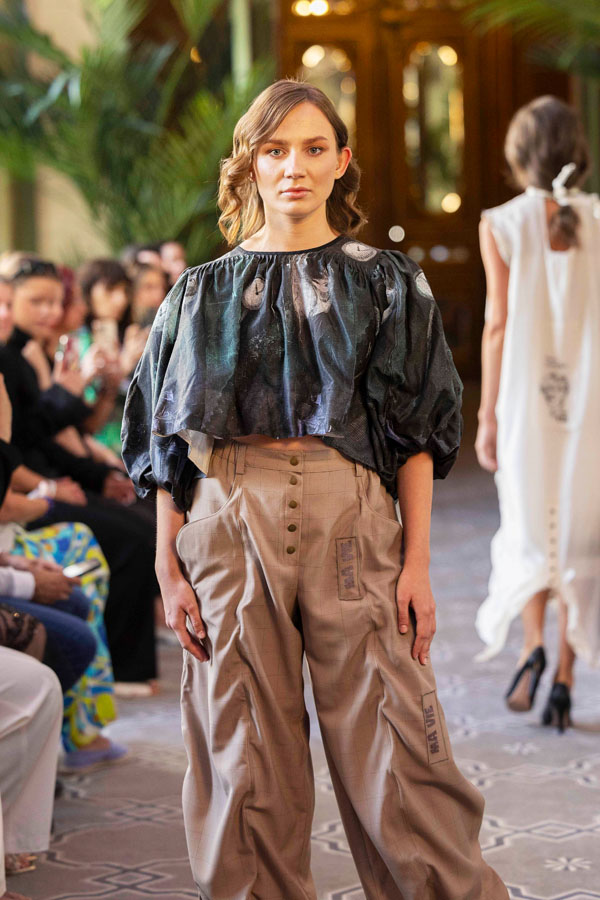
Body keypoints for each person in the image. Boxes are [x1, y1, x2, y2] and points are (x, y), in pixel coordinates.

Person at [123, 79, 509, 899]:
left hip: (353, 518)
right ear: (250, 165)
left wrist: (417, 563)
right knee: (243, 755)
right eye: (274, 150)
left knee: (399, 748)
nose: (293, 167)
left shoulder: (386, 282)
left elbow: (416, 432)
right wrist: (166, 564)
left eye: (312, 148)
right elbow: (164, 440)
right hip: (227, 521)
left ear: (341, 162)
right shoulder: (198, 293)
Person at [474, 96, 600, 733]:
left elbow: (497, 325)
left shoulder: (501, 222)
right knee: (581, 535)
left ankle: (531, 648)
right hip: (591, 403)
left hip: (525, 400)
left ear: (519, 153)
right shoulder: (598, 218)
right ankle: (566, 682)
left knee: (527, 526)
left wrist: (486, 416)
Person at [0, 266, 159, 691]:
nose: (51, 311)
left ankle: (127, 667)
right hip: (28, 492)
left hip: (43, 480)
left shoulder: (24, 353)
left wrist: (97, 472)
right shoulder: (13, 356)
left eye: (56, 301)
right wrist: (50, 488)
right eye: (38, 301)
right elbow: (27, 444)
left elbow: (46, 436)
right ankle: (124, 670)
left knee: (142, 523)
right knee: (132, 539)